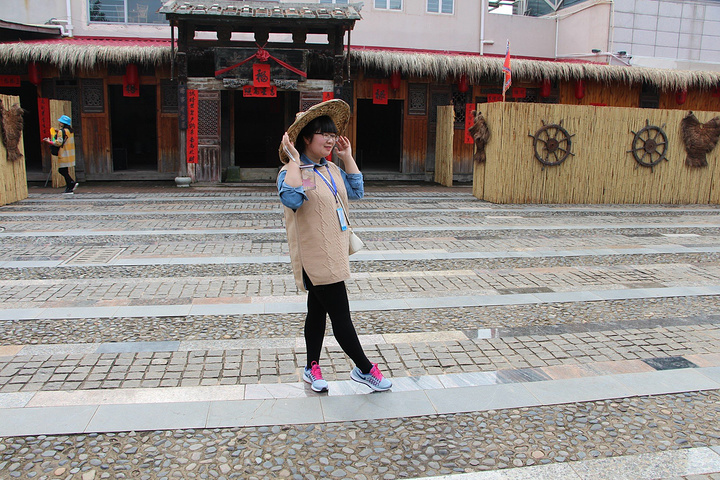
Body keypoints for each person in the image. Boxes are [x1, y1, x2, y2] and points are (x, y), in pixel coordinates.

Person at [277, 99, 392, 393]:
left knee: (317, 312)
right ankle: (364, 369)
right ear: (306, 138)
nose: (330, 140)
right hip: (315, 256)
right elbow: (291, 199)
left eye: (332, 134)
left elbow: (356, 191)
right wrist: (294, 161)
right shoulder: (293, 171)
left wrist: (347, 157)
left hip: (335, 250)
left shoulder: (330, 168)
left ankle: (310, 367)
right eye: (323, 134)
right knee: (341, 315)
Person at [44, 115, 78, 194]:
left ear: (63, 123)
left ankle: (71, 183)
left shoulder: (61, 131)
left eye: (60, 121)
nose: (59, 122)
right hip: (70, 153)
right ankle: (70, 186)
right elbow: (65, 137)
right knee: (64, 170)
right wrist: (58, 131)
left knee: (62, 170)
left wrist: (49, 141)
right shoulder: (70, 131)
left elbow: (58, 143)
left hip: (63, 153)